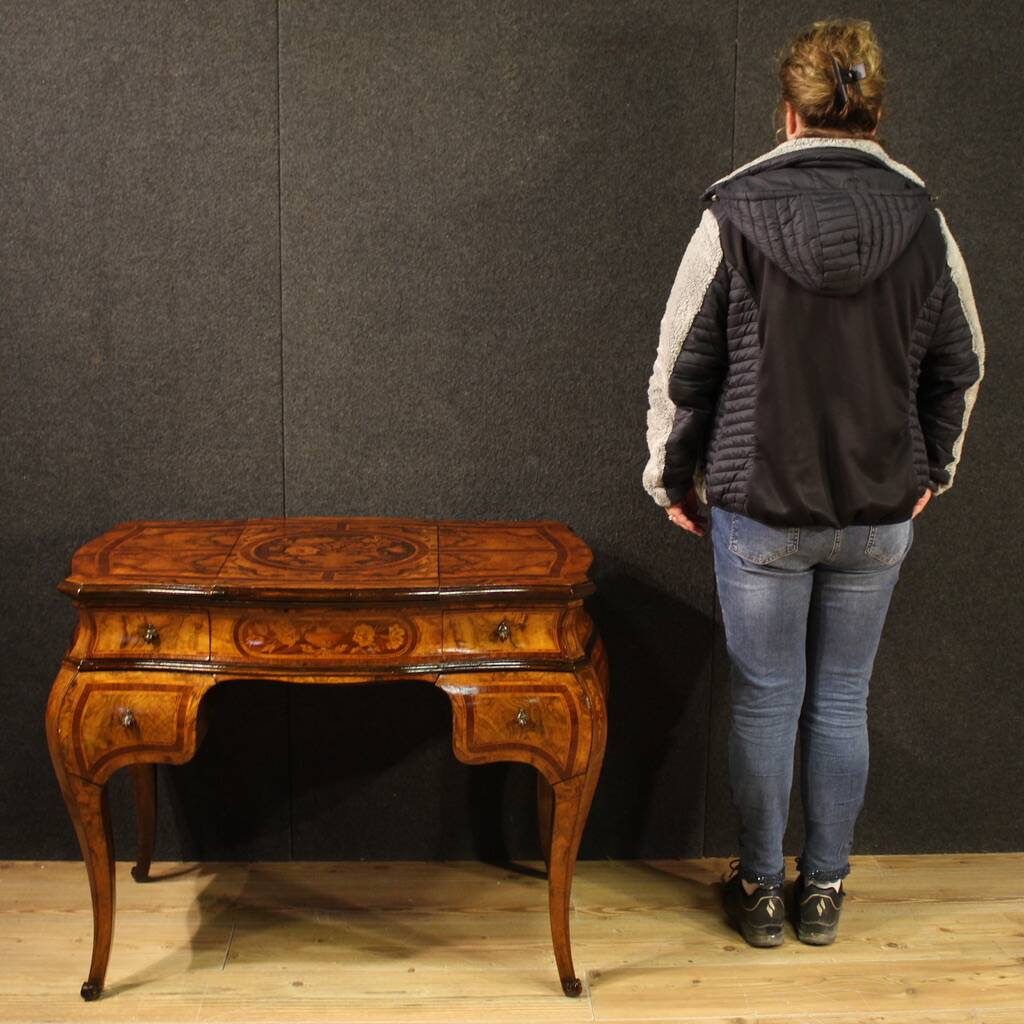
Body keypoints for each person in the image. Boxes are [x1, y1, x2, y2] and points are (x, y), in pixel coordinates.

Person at [641, 18, 985, 948]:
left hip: (761, 508)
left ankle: (758, 892)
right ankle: (822, 890)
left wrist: (670, 477)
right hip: (877, 509)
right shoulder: (925, 223)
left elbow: (685, 368)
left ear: (789, 114)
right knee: (841, 699)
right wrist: (933, 470)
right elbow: (963, 364)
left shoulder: (733, 217)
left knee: (765, 698)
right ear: (872, 115)